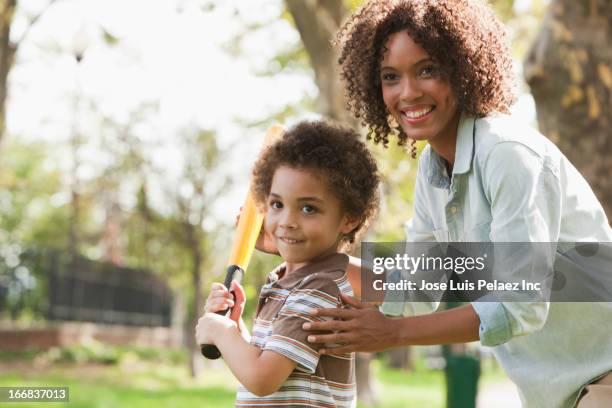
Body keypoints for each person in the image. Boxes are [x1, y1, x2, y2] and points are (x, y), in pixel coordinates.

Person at [290, 1, 612, 408]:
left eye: (427, 70)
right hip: (560, 390)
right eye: (391, 77)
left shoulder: (506, 153)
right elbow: (421, 285)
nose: (408, 92)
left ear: (462, 69)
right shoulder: (433, 169)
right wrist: (313, 257)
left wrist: (394, 334)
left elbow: (521, 302)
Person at [195, 121, 380, 407]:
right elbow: (269, 360)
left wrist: (221, 332)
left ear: (349, 219)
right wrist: (235, 329)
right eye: (277, 205)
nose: (286, 222)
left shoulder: (318, 288)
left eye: (308, 208)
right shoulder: (287, 280)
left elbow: (262, 378)